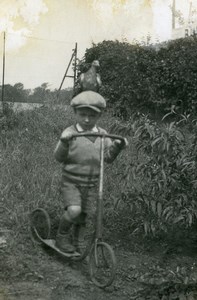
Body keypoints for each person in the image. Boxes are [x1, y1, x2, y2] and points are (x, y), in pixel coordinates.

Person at [54, 91, 128, 253]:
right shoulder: (69, 133)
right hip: (71, 181)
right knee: (74, 210)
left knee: (85, 214)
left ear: (99, 116)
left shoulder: (103, 135)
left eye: (92, 116)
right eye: (82, 115)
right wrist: (64, 142)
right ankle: (62, 235)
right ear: (75, 113)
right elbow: (58, 157)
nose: (87, 119)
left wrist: (116, 146)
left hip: (92, 182)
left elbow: (107, 158)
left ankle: (78, 240)